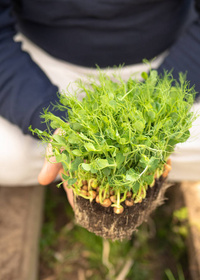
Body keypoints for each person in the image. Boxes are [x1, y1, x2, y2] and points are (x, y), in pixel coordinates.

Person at [1, 0, 200, 207]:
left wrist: (153, 106)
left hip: (167, 64)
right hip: (40, 67)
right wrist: (51, 119)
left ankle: (108, 170)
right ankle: (89, 167)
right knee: (7, 155)